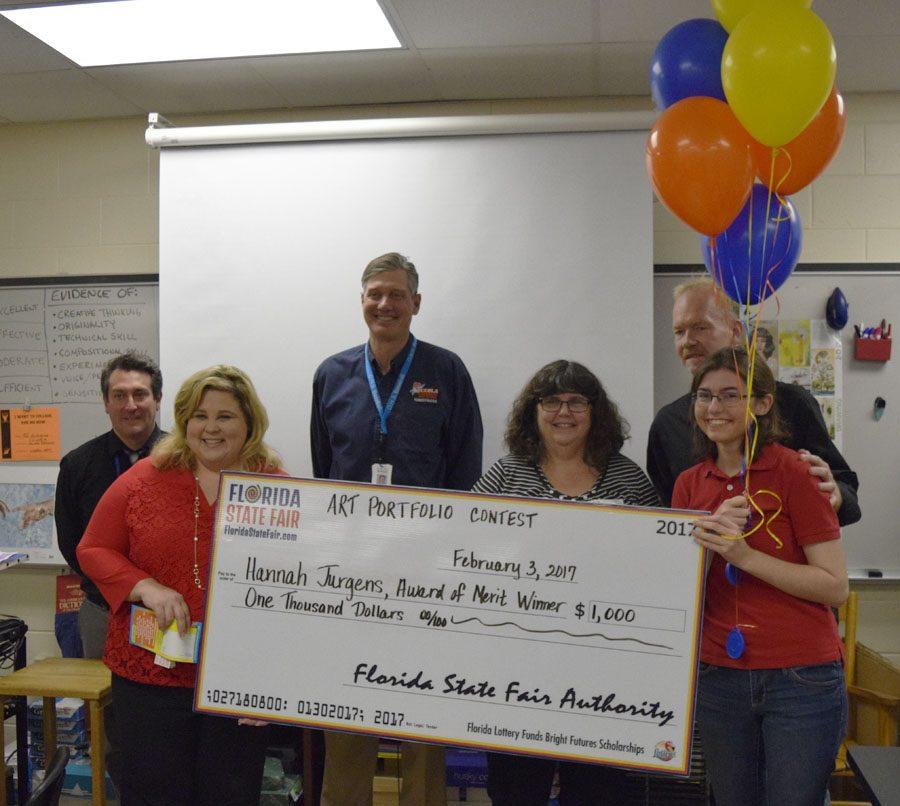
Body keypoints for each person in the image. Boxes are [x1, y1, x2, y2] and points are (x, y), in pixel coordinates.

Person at [311, 251, 483, 806]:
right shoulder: (331, 373)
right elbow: (324, 471)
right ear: (362, 300)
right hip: (350, 572)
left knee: (423, 709)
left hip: (425, 571)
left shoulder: (447, 370)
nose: (385, 304)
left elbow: (464, 470)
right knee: (347, 701)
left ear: (416, 303)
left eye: (396, 294)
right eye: (374, 293)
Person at [77, 365, 284, 806]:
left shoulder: (276, 487)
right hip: (150, 673)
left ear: (249, 422)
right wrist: (145, 586)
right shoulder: (144, 478)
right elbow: (94, 548)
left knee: (229, 792)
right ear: (184, 420)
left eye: (225, 416)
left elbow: (300, 589)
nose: (210, 428)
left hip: (237, 675)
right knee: (154, 791)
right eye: (198, 415)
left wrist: (272, 682)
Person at [472, 359, 659, 806]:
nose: (564, 412)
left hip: (606, 669)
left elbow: (658, 562)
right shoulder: (505, 473)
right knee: (516, 790)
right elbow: (467, 545)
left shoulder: (627, 477)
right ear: (533, 411)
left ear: (595, 412)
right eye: (551, 401)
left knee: (601, 793)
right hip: (520, 670)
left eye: (577, 401)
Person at [673, 348, 848, 806]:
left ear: (763, 404)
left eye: (732, 395)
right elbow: (678, 590)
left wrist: (744, 555)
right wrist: (710, 534)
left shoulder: (797, 472)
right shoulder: (689, 484)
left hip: (800, 679)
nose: (715, 408)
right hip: (719, 676)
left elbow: (835, 586)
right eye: (705, 396)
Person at [647, 279, 860, 527]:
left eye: (700, 327)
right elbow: (669, 518)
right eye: (679, 332)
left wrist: (835, 496)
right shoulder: (667, 424)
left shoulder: (793, 404)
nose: (687, 341)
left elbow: (846, 492)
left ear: (736, 332)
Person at [55, 351, 164, 659]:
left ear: (157, 399)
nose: (130, 405)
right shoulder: (77, 465)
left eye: (140, 394)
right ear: (106, 402)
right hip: (103, 612)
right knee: (105, 707)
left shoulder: (184, 462)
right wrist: (118, 586)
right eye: (119, 395)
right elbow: (72, 543)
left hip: (170, 612)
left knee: (165, 704)